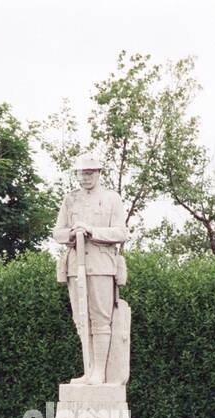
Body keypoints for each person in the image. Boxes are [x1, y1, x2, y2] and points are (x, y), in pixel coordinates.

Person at [51, 152, 128, 385]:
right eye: (81, 173)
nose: (84, 178)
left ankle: (100, 373)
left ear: (98, 173)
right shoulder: (70, 199)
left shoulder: (111, 198)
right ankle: (89, 369)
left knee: (101, 319)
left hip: (101, 266)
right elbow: (57, 232)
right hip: (76, 267)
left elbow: (121, 233)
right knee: (81, 319)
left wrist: (92, 231)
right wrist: (72, 234)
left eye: (89, 173)